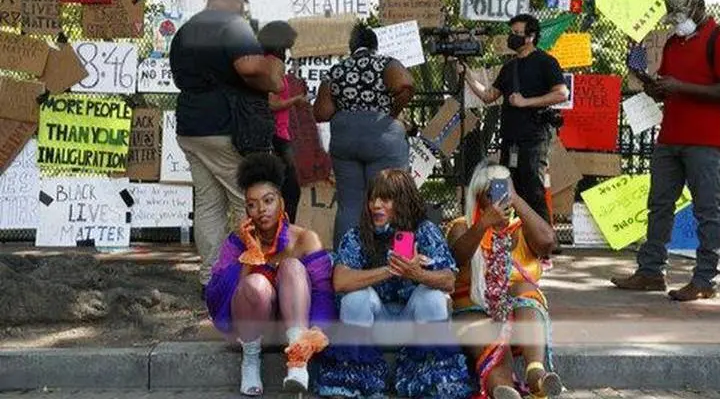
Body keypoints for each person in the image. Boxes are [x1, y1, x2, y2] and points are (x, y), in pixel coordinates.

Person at [611, 0, 720, 302]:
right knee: (659, 205)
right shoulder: (673, 43)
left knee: (707, 210)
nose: (676, 22)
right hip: (670, 136)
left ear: (699, 9)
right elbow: (666, 90)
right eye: (673, 17)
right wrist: (648, 82)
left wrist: (682, 87)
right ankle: (650, 272)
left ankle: (704, 279)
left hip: (706, 140)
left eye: (682, 15)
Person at [169, 0, 285, 289]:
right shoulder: (231, 25)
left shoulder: (186, 31)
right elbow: (249, 67)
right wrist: (272, 72)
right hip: (226, 128)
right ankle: (250, 279)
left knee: (207, 203)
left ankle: (211, 278)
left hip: (191, 127)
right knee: (246, 200)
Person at [315, 169, 472, 398]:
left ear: (403, 202)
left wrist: (415, 273)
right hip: (375, 325)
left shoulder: (425, 231)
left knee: (433, 296)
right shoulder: (358, 235)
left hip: (413, 326)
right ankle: (354, 384)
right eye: (372, 198)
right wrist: (391, 270)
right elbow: (340, 281)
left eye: (385, 199)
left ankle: (431, 384)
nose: (376, 205)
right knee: (355, 297)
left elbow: (448, 280)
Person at [204, 153, 335, 395]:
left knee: (293, 267)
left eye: (268, 200)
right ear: (246, 209)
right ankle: (251, 362)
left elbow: (323, 291)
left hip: (294, 324)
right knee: (255, 283)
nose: (261, 210)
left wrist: (318, 330)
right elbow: (215, 296)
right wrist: (249, 257)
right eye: (252, 204)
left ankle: (298, 360)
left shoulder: (305, 239)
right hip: (252, 330)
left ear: (282, 202)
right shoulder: (237, 241)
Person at [447, 160, 561, 399]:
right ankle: (505, 392)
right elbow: (458, 256)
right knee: (496, 347)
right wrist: (484, 223)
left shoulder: (521, 227)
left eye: (503, 193)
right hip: (473, 309)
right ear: (478, 197)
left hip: (518, 317)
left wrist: (516, 198)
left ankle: (536, 375)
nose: (500, 201)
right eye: (491, 195)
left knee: (525, 289)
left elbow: (548, 242)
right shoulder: (462, 227)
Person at [313, 24, 415, 249]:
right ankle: (401, 259)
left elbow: (320, 113)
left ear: (352, 47)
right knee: (393, 199)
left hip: (345, 141)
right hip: (383, 136)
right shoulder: (384, 63)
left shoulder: (337, 70)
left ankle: (345, 264)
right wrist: (393, 113)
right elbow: (406, 84)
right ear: (375, 45)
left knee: (349, 206)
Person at [463, 14, 569, 223]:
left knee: (532, 187)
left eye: (517, 33)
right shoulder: (509, 67)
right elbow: (488, 95)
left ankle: (544, 240)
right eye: (511, 33)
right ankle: (507, 235)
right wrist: (467, 75)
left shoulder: (546, 62)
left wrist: (526, 102)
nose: (512, 37)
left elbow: (562, 93)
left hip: (534, 137)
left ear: (530, 36)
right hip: (510, 138)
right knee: (504, 185)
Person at [258, 21, 306, 222]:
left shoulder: (264, 62)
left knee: (283, 187)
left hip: (278, 132)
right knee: (290, 189)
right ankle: (285, 231)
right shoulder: (274, 63)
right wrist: (296, 99)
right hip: (277, 134)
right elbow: (272, 102)